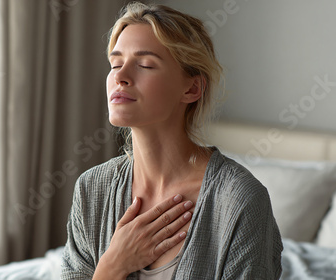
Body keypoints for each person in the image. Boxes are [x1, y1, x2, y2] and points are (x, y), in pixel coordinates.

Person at [61, 2, 283, 279]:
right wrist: (112, 266)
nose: (119, 76)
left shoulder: (240, 201)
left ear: (191, 88)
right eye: (115, 64)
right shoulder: (92, 189)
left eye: (144, 65)